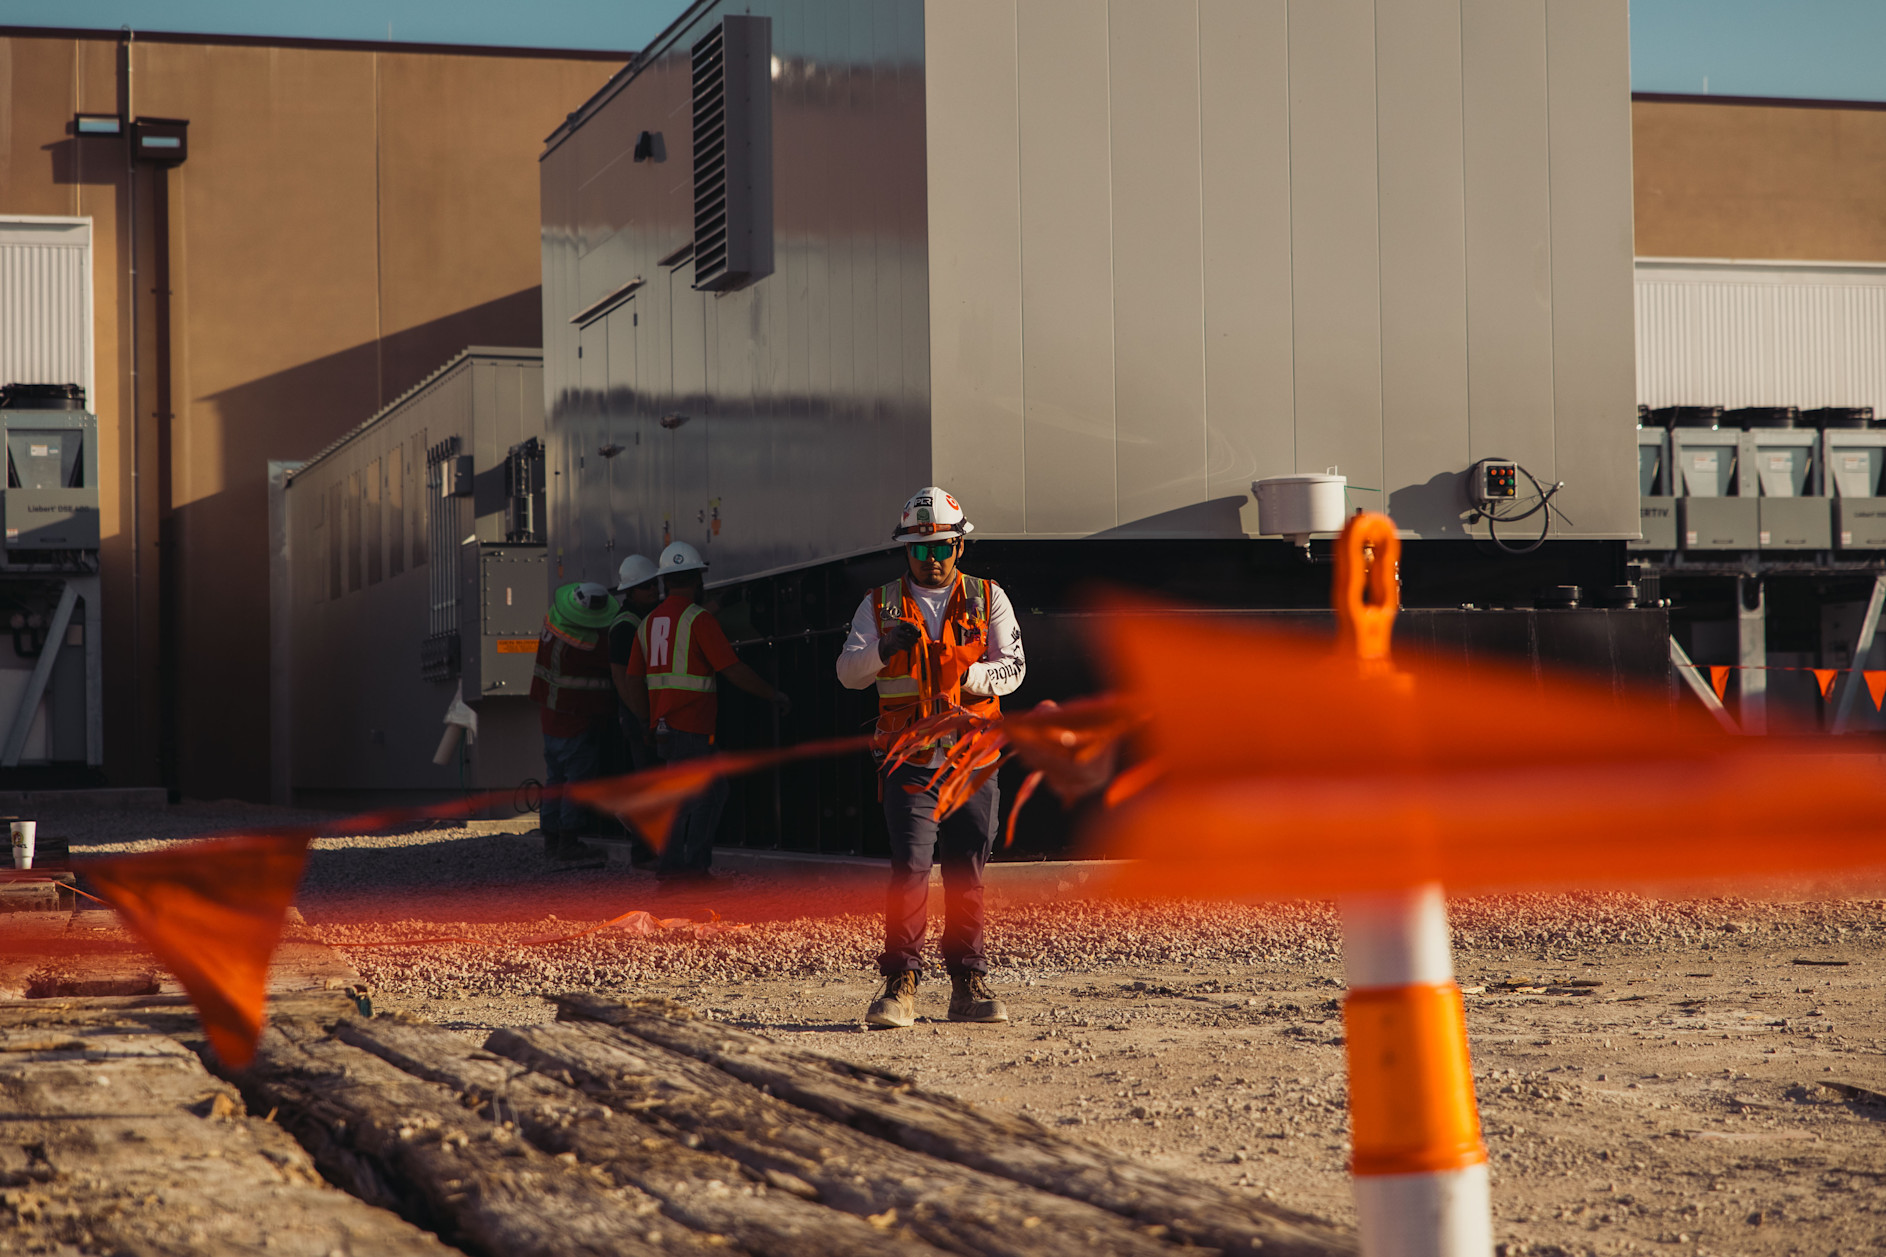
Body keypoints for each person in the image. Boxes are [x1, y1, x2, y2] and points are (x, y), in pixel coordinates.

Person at [836, 487, 1025, 1028]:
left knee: (968, 869)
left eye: (942, 547)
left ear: (959, 548)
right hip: (911, 757)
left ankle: (967, 983)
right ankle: (901, 984)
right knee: (912, 868)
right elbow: (848, 674)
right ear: (906, 552)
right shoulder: (878, 605)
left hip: (972, 755)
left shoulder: (990, 597)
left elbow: (1013, 670)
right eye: (921, 550)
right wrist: (881, 649)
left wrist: (967, 676)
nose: (932, 559)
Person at [620, 541, 791, 885]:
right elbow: (733, 669)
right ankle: (680, 873)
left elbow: (632, 679)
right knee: (691, 800)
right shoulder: (699, 619)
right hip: (691, 727)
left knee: (711, 793)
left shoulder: (648, 623)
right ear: (698, 579)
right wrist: (773, 694)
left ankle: (688, 868)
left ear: (665, 581)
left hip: (667, 728)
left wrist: (645, 720)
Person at [528, 581, 620, 862]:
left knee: (555, 779)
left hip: (550, 715)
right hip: (576, 718)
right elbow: (617, 657)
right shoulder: (591, 644)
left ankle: (552, 841)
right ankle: (569, 841)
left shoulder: (553, 620)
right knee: (576, 782)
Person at [606, 554, 665, 863]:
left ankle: (649, 848)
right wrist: (643, 718)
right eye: (645, 587)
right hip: (637, 714)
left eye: (654, 584)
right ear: (630, 592)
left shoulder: (644, 618)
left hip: (645, 712)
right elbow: (621, 677)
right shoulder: (626, 625)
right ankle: (643, 851)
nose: (653, 590)